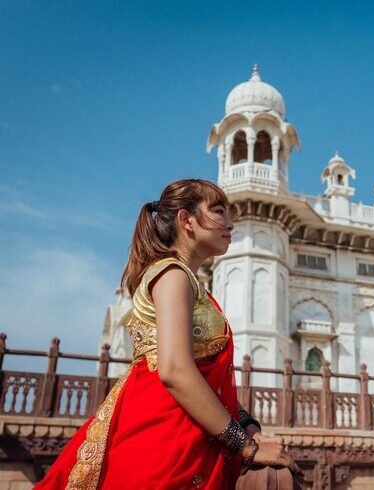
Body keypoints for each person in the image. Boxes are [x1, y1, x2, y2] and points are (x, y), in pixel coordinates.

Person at [37, 179, 295, 489]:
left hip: (185, 431)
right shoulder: (171, 274)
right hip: (165, 437)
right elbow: (175, 369)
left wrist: (248, 425)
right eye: (218, 212)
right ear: (186, 220)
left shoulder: (192, 284)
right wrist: (246, 446)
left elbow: (204, 377)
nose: (230, 223)